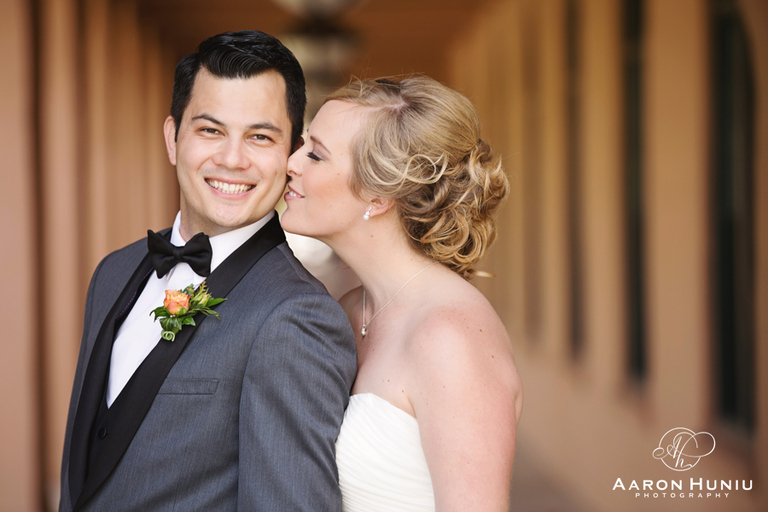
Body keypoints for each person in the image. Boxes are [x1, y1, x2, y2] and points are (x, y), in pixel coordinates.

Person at [59, 31, 357, 512]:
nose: (232, 160)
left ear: (291, 154)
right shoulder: (113, 272)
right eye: (211, 131)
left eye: (260, 137)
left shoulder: (299, 316)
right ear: (173, 139)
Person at [281, 76, 524, 511]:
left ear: (378, 194)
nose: (290, 163)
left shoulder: (449, 336)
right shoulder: (352, 309)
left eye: (315, 154)